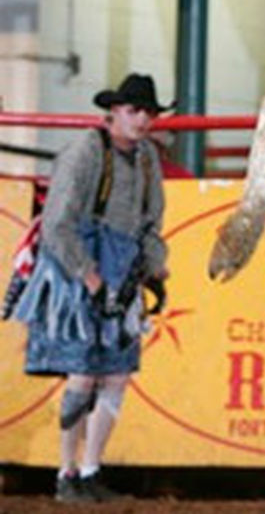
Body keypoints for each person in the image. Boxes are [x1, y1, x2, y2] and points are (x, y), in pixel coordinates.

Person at [12, 73, 170, 502]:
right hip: (76, 271)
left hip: (121, 272)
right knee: (83, 372)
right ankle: (67, 474)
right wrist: (90, 278)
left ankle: (88, 470)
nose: (142, 120)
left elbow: (151, 222)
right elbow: (58, 224)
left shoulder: (146, 159)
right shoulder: (84, 152)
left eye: (148, 113)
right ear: (114, 113)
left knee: (117, 373)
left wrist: (155, 269)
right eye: (134, 111)